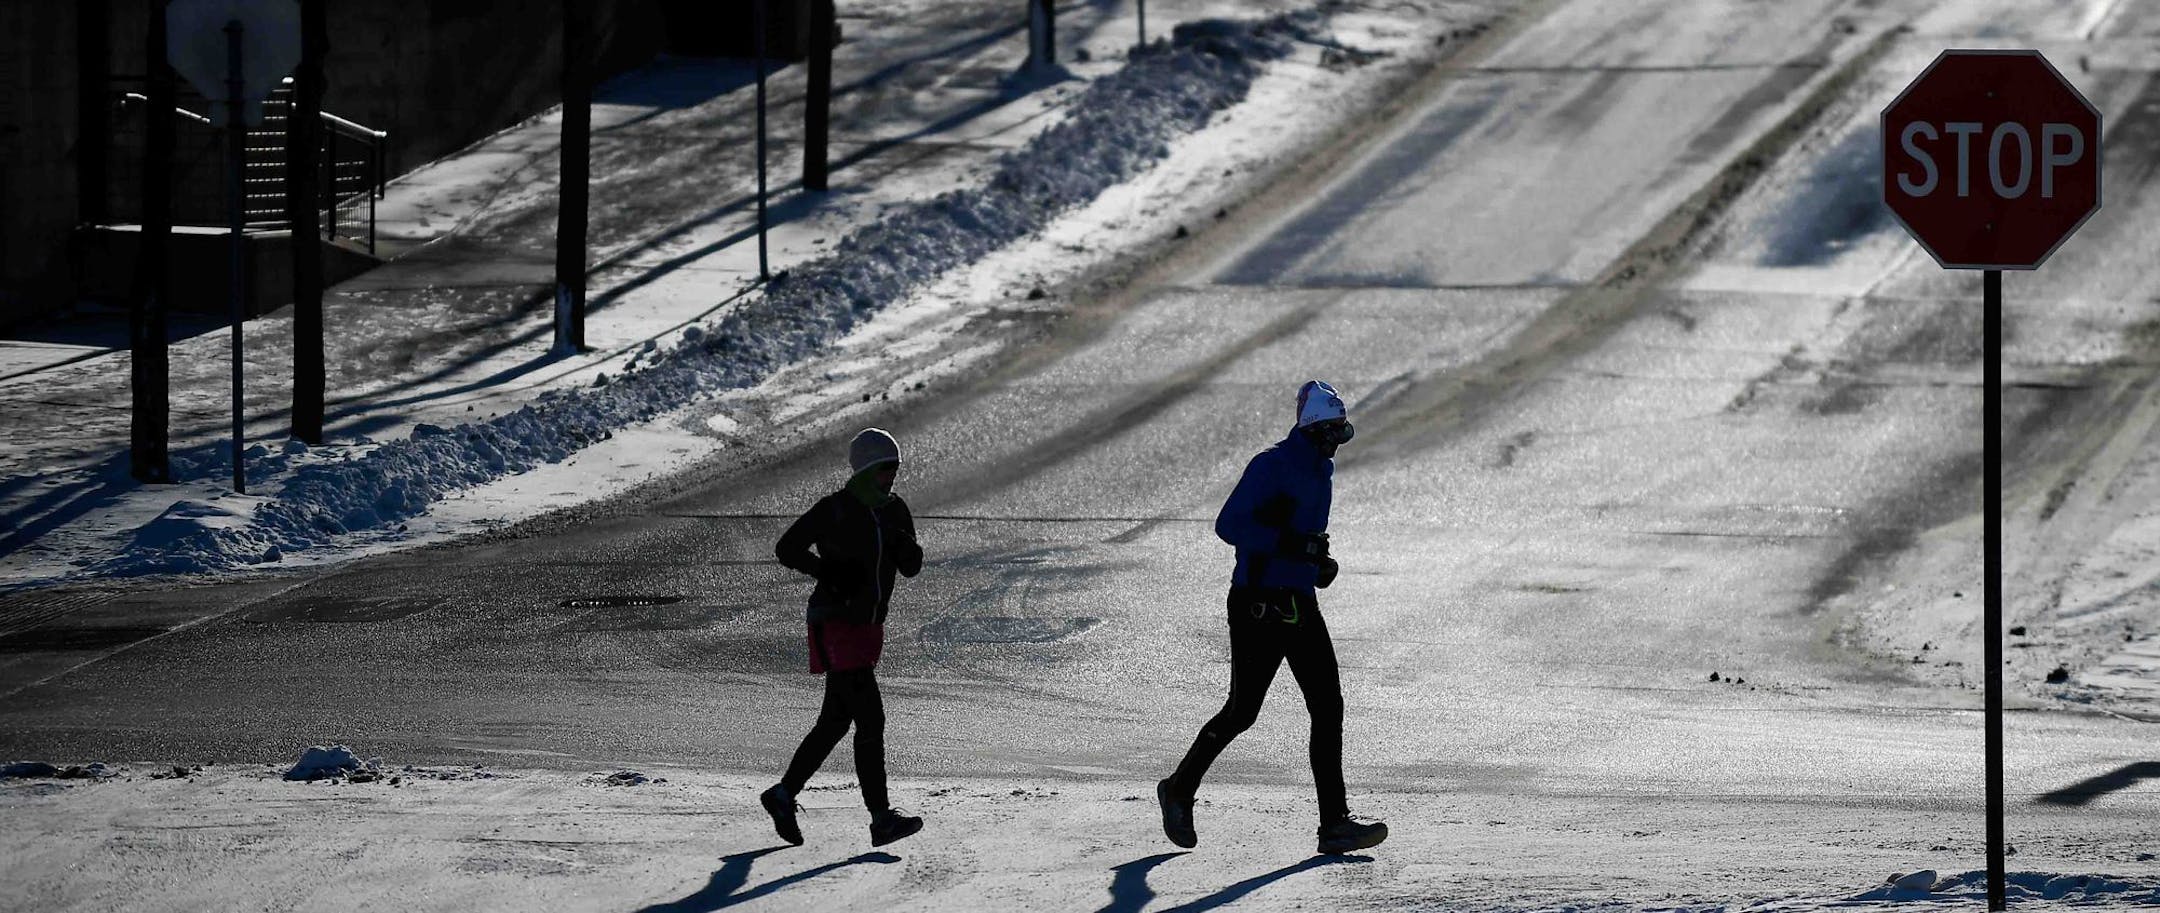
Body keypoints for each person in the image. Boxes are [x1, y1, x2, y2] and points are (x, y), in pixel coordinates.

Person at [1158, 381, 1387, 856]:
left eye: (1342, 434)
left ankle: (1335, 825)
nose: (1336, 443)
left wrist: (1318, 564)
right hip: (1257, 604)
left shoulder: (1320, 471)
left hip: (1299, 601)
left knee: (1328, 706)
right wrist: (1291, 547)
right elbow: (1230, 526)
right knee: (1243, 712)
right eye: (1331, 433)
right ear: (1312, 429)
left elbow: (1305, 536)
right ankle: (1178, 788)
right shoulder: (1271, 465)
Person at [760, 427, 926, 847]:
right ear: (865, 469)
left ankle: (782, 795)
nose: (892, 476)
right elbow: (787, 548)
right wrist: (829, 574)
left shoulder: (895, 510)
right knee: (871, 718)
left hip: (868, 627)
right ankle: (881, 819)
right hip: (834, 622)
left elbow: (911, 567)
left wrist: (907, 549)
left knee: (835, 722)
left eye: (896, 469)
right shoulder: (835, 509)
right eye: (884, 469)